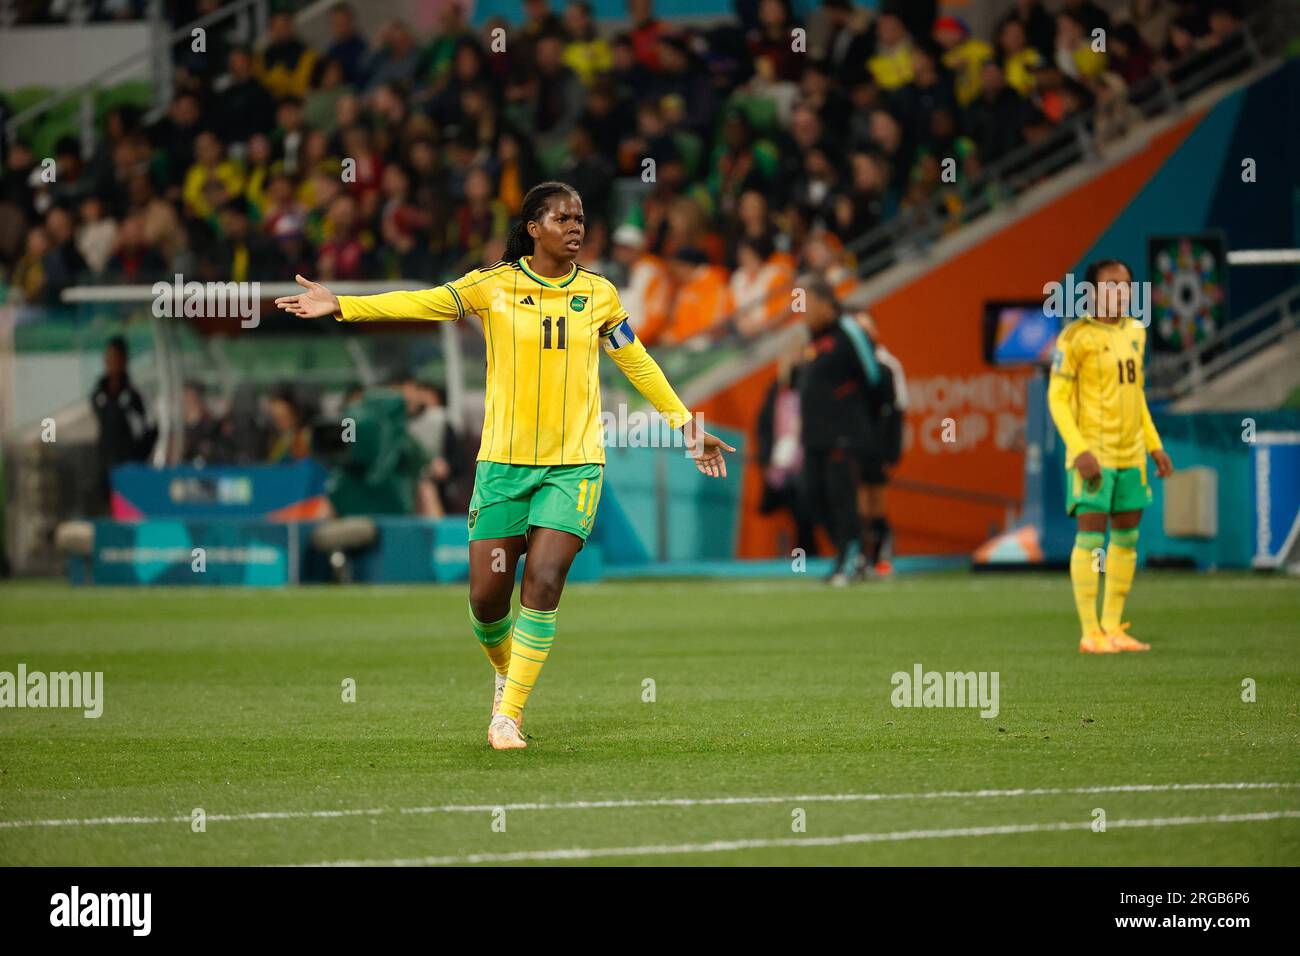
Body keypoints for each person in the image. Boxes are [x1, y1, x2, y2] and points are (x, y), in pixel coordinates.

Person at [275, 181, 735, 750]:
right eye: (563, 217)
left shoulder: (600, 295)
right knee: (487, 598)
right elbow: (423, 303)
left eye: (581, 218)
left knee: (543, 580)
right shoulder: (493, 285)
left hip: (574, 466)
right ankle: (505, 671)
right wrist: (343, 304)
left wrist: (686, 425)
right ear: (534, 227)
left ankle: (507, 717)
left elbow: (637, 363)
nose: (576, 227)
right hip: (503, 465)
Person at [1048, 259, 1174, 654]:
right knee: (1090, 538)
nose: (1119, 293)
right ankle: (1089, 633)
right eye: (1110, 286)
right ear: (1090, 294)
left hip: (1132, 455)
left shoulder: (1137, 332)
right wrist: (1079, 449)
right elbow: (1057, 399)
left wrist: (1154, 445)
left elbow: (1136, 397)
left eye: (1125, 286)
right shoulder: (1074, 338)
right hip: (1094, 455)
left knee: (1127, 539)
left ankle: (1113, 627)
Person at [796, 280, 877, 586]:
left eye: (809, 306)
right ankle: (848, 553)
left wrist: (858, 418)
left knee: (842, 496)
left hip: (844, 431)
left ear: (827, 304)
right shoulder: (813, 340)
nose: (804, 313)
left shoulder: (849, 331)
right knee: (812, 496)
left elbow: (872, 376)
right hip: (815, 434)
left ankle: (852, 556)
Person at [91, 337, 155, 509]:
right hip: (106, 472)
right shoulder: (99, 395)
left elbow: (150, 430)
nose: (111, 363)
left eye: (116, 359)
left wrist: (136, 460)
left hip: (129, 472)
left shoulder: (134, 396)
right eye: (108, 358)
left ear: (124, 360)